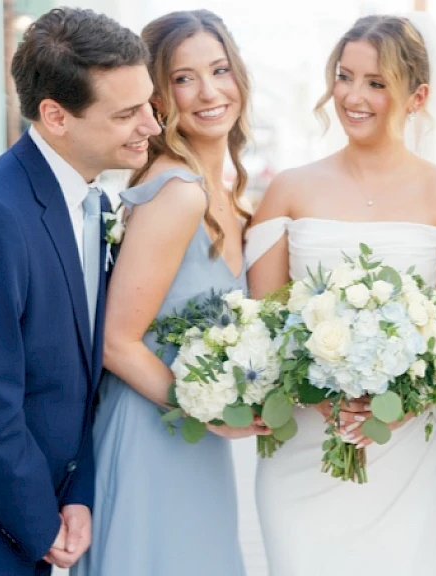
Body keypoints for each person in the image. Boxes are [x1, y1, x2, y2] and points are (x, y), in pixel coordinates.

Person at [246, 14, 436, 576]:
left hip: (408, 450)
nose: (353, 96)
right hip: (304, 452)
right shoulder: (289, 189)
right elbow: (265, 323)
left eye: (376, 83)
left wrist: (395, 409)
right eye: (344, 77)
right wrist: (318, 396)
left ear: (417, 96)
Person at [0, 8, 159, 575]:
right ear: (56, 116)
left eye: (147, 103)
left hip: (48, 510)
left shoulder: (91, 200)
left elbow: (79, 375)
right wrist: (38, 521)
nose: (152, 124)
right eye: (127, 113)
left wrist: (79, 491)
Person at [70, 10, 267, 576]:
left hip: (194, 443)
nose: (209, 92)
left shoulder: (223, 194)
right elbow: (115, 341)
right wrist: (208, 412)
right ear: (156, 95)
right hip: (150, 438)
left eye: (220, 69)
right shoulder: (176, 191)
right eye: (183, 78)